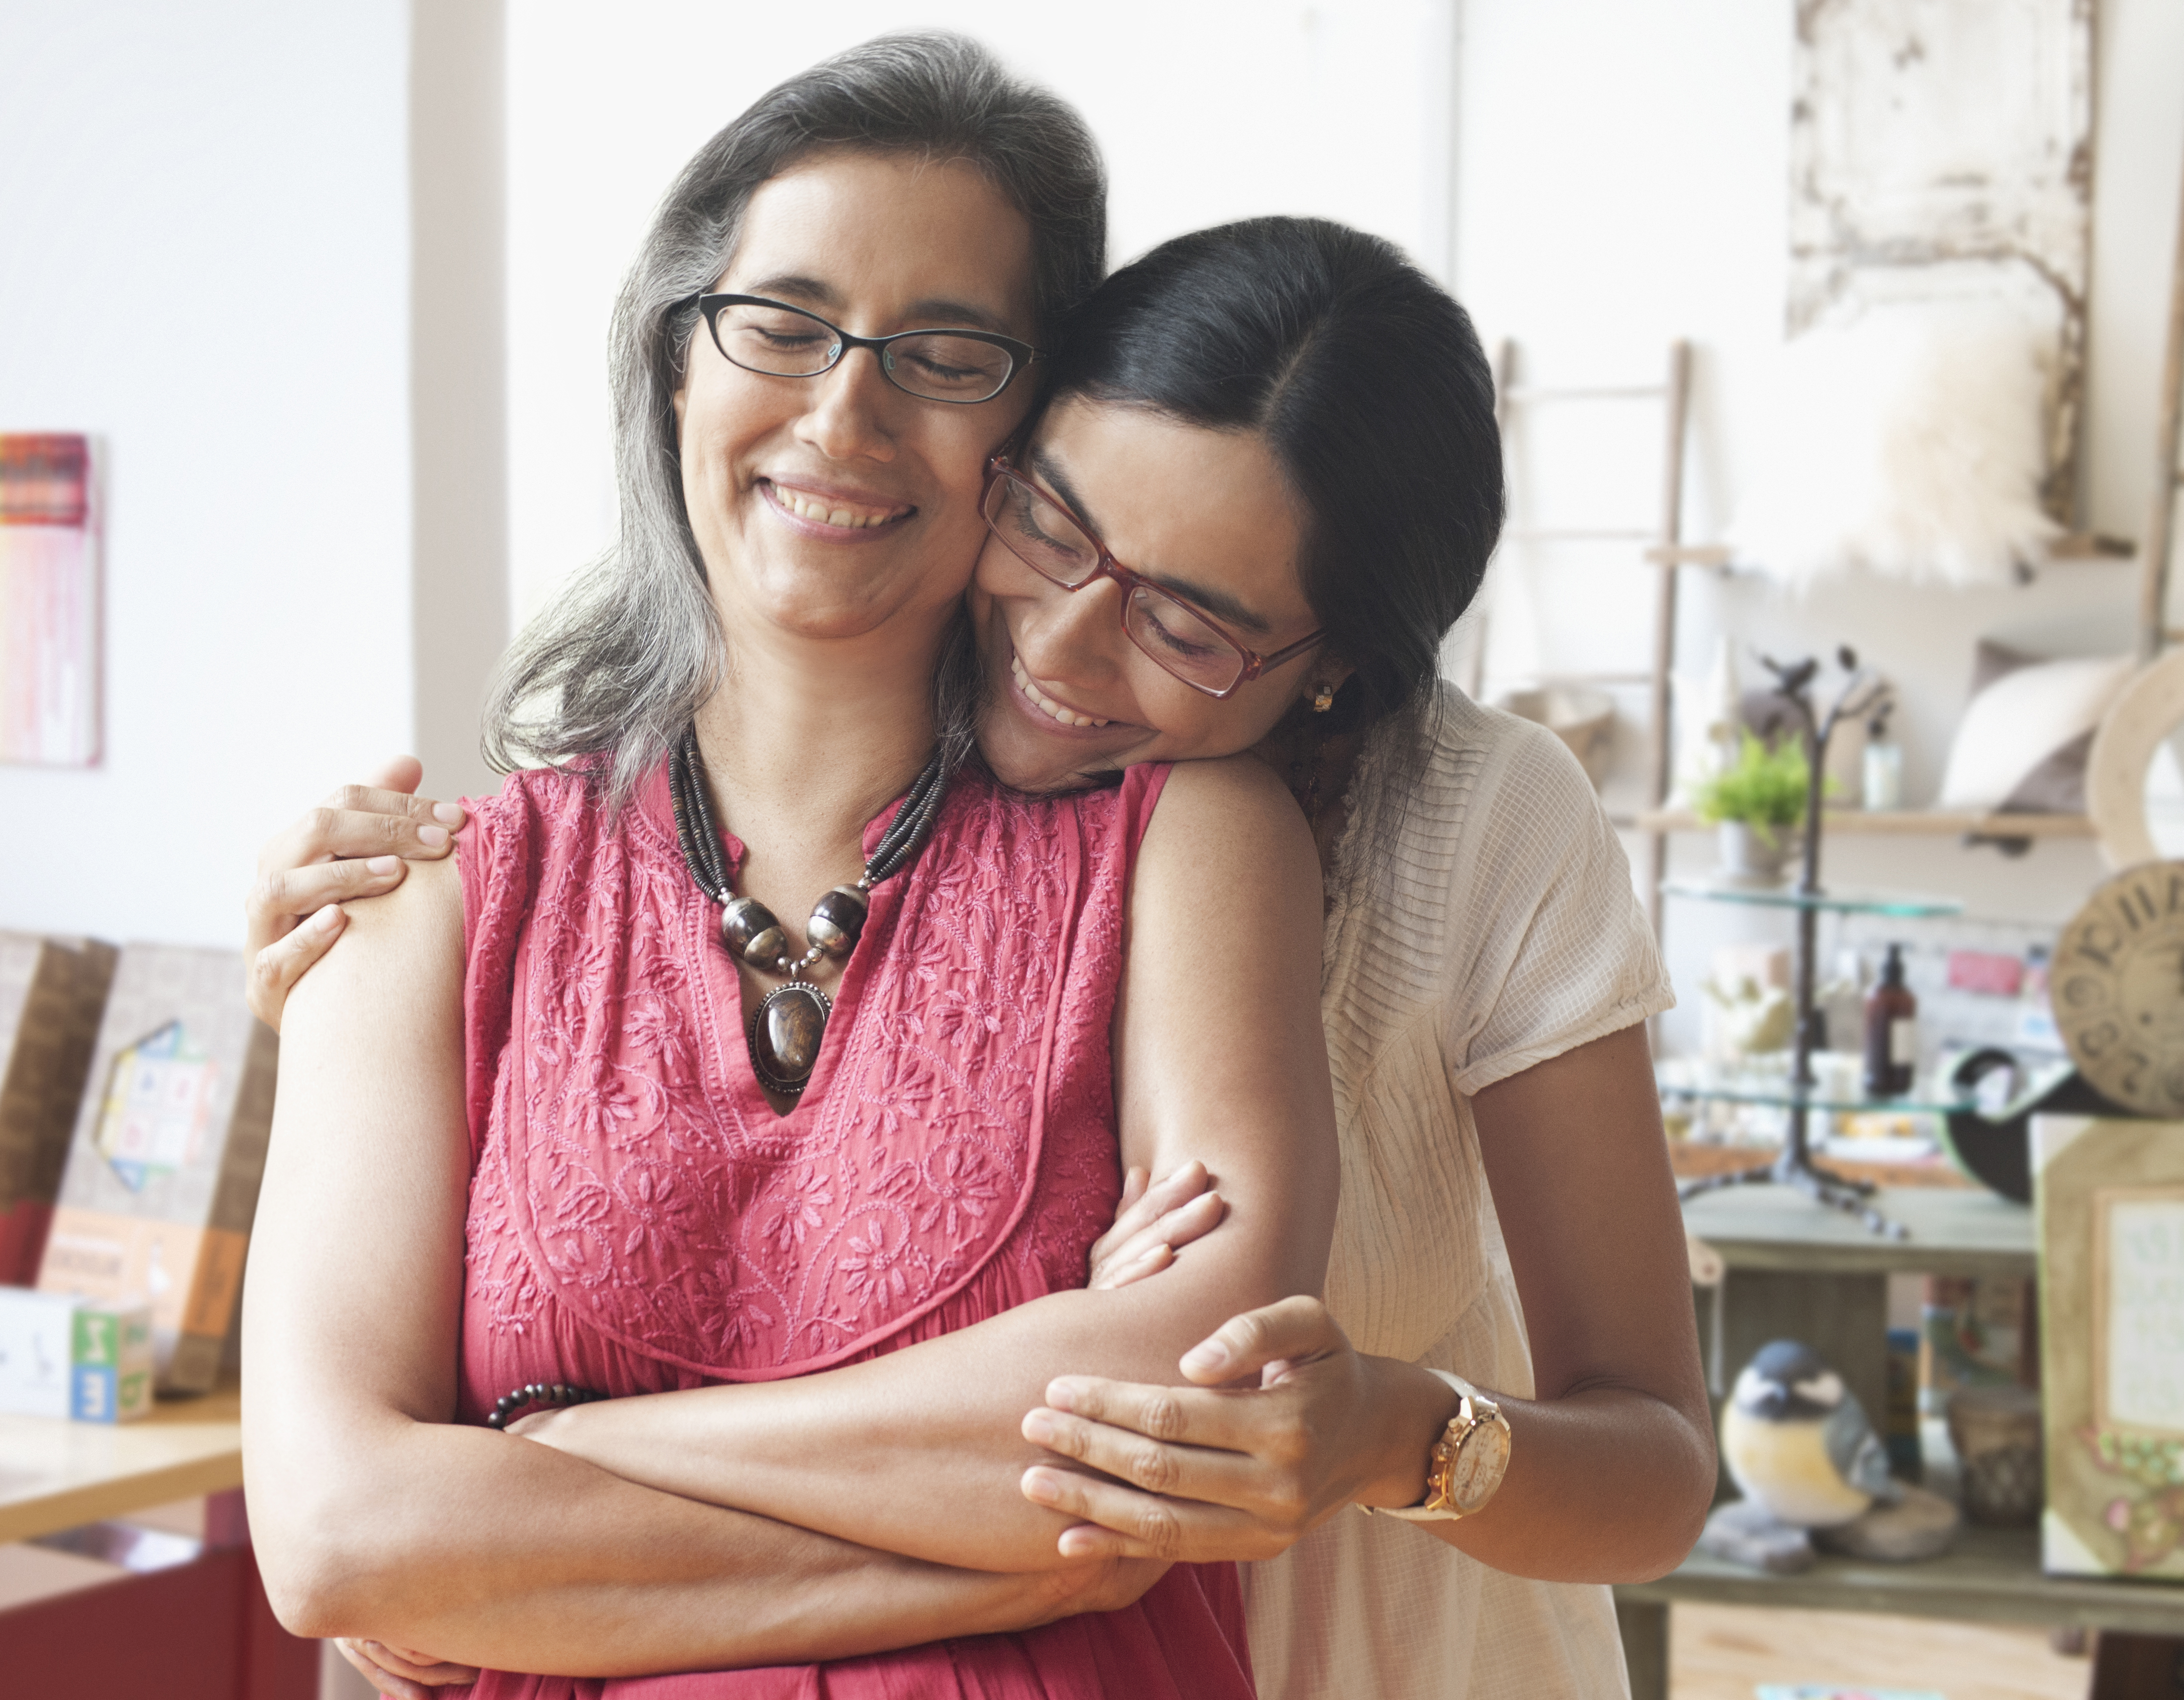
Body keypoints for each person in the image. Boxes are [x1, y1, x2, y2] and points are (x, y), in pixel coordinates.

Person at [249, 40, 1716, 1700]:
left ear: (1330, 675)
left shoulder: (1316, 826)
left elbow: (1181, 1438)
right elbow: (340, 1538)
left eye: (1188, 620)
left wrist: (534, 1475)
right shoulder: (453, 889)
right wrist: (1004, 1556)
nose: (1067, 648)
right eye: (1060, 528)